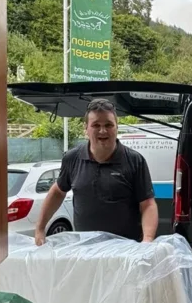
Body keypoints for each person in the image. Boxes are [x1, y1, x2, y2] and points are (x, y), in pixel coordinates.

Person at [35, 98, 158, 245]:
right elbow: (57, 192)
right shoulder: (72, 158)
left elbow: (147, 204)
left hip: (125, 251)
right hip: (85, 250)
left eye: (108, 125)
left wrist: (147, 239)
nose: (103, 130)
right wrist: (40, 228)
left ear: (116, 127)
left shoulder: (135, 160)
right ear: (86, 128)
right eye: (96, 125)